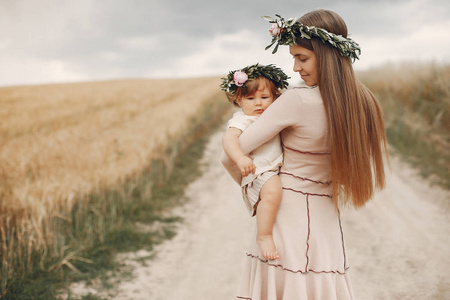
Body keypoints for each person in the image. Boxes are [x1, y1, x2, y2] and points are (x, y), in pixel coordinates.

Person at [221, 9, 388, 299]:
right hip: (326, 219)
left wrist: (259, 191)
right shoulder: (366, 101)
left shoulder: (297, 100)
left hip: (286, 215)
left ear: (325, 54)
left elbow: (230, 156)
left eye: (302, 57)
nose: (296, 68)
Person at [220, 63, 289, 260]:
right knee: (273, 191)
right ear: (239, 100)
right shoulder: (243, 120)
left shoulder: (270, 115)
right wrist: (240, 158)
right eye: (251, 98)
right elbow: (229, 139)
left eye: (264, 97)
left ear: (274, 98)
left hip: (271, 166)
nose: (258, 103)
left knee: (276, 196)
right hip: (259, 169)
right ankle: (264, 235)